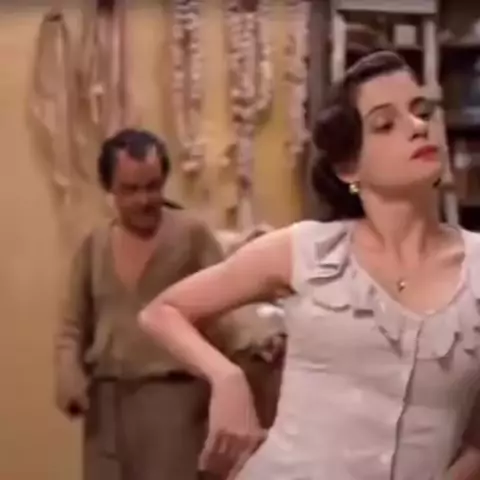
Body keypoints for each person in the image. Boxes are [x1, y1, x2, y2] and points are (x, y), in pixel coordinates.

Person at [138, 51, 480, 480]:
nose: (418, 127)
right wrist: (227, 379)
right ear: (349, 168)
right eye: (385, 124)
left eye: (422, 112)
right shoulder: (309, 251)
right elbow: (162, 311)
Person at [54, 128, 284, 480]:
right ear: (110, 189)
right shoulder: (94, 246)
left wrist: (258, 343)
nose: (144, 200)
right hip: (107, 406)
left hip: (174, 402)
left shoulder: (191, 237)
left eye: (152, 187)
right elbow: (72, 325)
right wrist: (68, 374)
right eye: (131, 190)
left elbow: (227, 306)